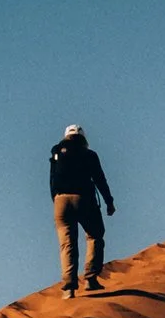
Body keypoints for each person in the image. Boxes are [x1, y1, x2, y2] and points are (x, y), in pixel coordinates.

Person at [49, 124, 116, 295]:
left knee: (67, 244)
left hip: (61, 201)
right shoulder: (89, 155)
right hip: (84, 199)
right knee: (95, 235)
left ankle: (69, 288)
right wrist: (109, 201)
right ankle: (90, 279)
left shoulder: (57, 152)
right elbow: (100, 179)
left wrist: (56, 200)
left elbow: (51, 180)